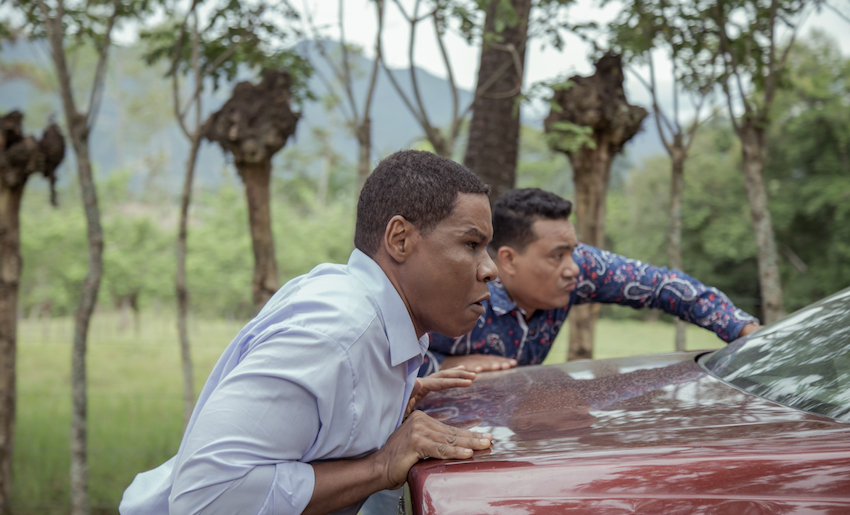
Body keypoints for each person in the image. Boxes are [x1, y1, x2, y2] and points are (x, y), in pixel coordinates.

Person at [119, 150, 499, 515]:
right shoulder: (335, 336)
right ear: (400, 239)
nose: (490, 269)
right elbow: (203, 499)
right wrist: (380, 466)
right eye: (471, 244)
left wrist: (385, 408)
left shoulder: (378, 324)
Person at [419, 187, 761, 375]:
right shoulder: (458, 285)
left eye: (573, 250)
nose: (573, 268)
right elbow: (391, 352)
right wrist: (440, 365)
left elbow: (663, 285)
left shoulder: (579, 267)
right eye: (557, 255)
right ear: (507, 260)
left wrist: (746, 331)